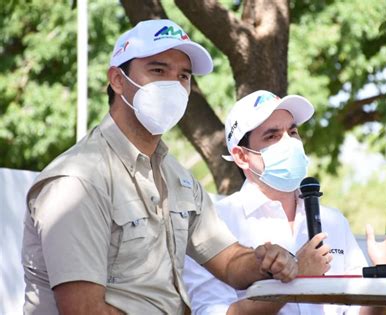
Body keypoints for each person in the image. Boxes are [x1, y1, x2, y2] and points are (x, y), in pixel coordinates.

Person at [21, 20, 298, 315]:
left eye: (183, 76)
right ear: (117, 79)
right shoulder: (77, 180)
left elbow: (229, 261)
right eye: (158, 70)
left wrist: (266, 261)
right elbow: (84, 310)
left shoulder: (176, 178)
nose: (173, 85)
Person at [183, 90, 386, 315]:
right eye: (272, 136)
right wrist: (296, 276)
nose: (289, 143)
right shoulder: (214, 223)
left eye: (292, 133)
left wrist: (384, 275)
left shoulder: (333, 221)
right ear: (242, 156)